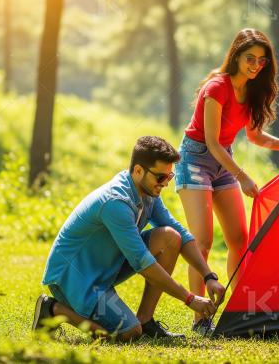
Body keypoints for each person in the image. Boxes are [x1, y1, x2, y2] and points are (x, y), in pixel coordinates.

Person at [174, 28, 279, 335]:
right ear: (236, 55)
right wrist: (243, 177)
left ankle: (238, 312)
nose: (255, 65)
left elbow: (255, 136)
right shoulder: (217, 87)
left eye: (261, 61)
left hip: (223, 160)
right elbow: (211, 142)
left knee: (239, 238)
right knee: (202, 241)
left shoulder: (253, 91)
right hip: (196, 159)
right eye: (249, 58)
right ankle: (200, 318)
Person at [33, 136, 226, 341]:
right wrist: (189, 299)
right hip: (73, 279)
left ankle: (145, 320)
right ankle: (53, 309)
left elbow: (181, 234)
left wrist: (208, 277)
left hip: (103, 270)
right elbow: (143, 263)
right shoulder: (116, 203)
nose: (165, 184)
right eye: (160, 177)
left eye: (169, 177)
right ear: (138, 171)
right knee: (129, 333)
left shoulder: (147, 192)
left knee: (170, 237)